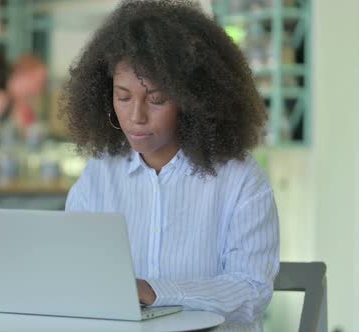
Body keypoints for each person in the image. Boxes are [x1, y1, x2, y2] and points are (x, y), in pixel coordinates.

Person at [60, 1, 279, 331]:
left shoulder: (240, 179)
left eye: (157, 100)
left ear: (193, 101)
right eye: (123, 96)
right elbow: (74, 275)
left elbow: (251, 291)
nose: (136, 116)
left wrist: (153, 292)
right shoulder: (99, 175)